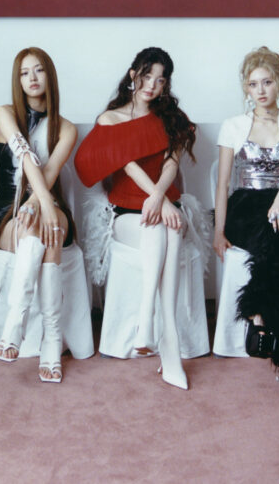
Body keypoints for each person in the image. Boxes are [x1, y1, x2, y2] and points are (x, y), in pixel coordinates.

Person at [75, 46, 200, 390]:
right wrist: (157, 199)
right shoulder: (110, 119)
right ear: (133, 75)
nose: (152, 85)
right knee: (158, 227)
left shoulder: (171, 117)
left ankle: (152, 325)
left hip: (167, 206)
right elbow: (127, 164)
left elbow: (172, 163)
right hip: (128, 212)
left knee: (166, 229)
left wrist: (161, 197)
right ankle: (163, 337)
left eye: (160, 80)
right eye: (147, 76)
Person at [213, 46, 279, 396]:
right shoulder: (233, 126)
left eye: (267, 82)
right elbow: (223, 183)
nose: (260, 90)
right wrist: (218, 231)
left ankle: (268, 327)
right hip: (245, 205)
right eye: (253, 84)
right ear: (246, 87)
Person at [0, 47, 78, 382]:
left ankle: (25, 329)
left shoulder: (66, 128)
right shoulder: (4, 113)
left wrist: (41, 203)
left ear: (49, 75)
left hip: (47, 203)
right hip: (7, 210)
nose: (32, 78)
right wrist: (41, 204)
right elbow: (24, 156)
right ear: (18, 80)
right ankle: (38, 332)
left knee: (43, 226)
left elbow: (50, 172)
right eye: (24, 73)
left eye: (38, 70)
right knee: (35, 228)